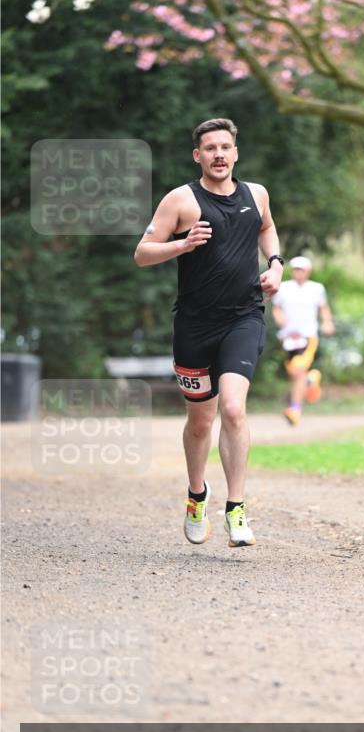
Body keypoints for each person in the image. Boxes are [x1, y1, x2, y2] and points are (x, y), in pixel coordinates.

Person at [134, 117, 283, 547]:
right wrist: (181, 244)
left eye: (225, 147)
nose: (219, 154)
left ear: (236, 152)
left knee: (233, 409)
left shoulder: (256, 194)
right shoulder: (181, 200)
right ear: (198, 156)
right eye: (210, 148)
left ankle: (236, 510)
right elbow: (142, 253)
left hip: (244, 317)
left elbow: (267, 227)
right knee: (200, 422)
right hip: (195, 326)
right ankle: (197, 494)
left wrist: (275, 264)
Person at [272, 256, 335, 426]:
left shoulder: (316, 288)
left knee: (297, 370)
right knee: (295, 373)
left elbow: (324, 308)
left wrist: (328, 322)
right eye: (295, 269)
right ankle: (311, 379)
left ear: (308, 271)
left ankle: (295, 409)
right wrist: (279, 318)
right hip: (288, 338)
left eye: (301, 269)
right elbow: (276, 308)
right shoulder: (284, 288)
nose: (298, 272)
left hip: (308, 336)